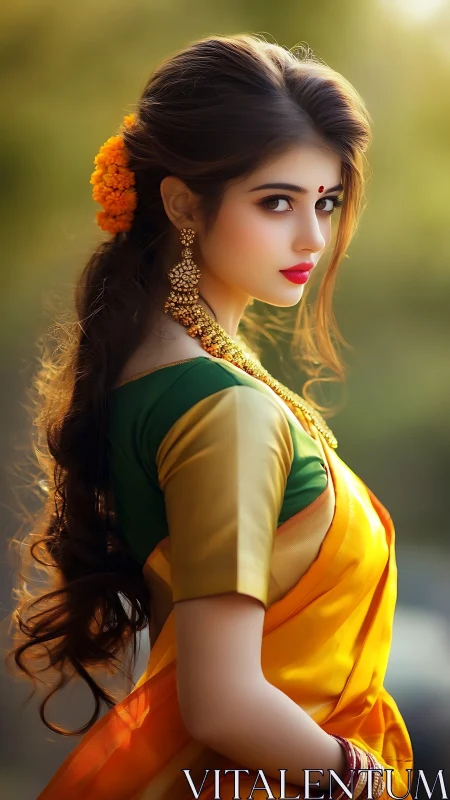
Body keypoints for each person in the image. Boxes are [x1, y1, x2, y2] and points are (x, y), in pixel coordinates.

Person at [7, 33, 414, 800]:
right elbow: (223, 701)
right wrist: (362, 778)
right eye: (277, 203)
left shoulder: (155, 374)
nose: (313, 238)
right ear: (183, 204)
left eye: (324, 202)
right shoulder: (221, 409)